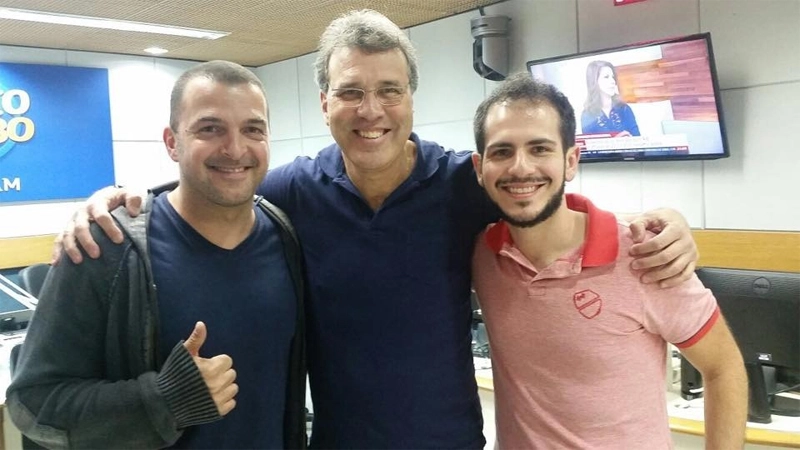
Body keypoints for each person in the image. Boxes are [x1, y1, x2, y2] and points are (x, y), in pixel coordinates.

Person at [54, 10, 701, 449]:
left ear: (411, 100)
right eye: (352, 91)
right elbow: (213, 186)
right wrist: (119, 199)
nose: (372, 111)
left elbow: (546, 199)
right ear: (325, 103)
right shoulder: (290, 194)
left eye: (389, 90)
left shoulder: (461, 185)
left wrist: (665, 221)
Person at [6, 61, 307, 449]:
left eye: (252, 129)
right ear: (171, 142)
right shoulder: (107, 246)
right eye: (210, 128)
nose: (235, 149)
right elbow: (32, 403)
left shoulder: (286, 234)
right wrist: (165, 401)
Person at [471, 73, 747, 448]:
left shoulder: (646, 255)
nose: (521, 167)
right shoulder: (482, 255)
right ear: (479, 168)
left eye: (540, 149)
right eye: (502, 151)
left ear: (571, 161)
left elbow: (723, 368)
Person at [581, 60, 640, 137]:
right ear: (594, 82)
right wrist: (616, 141)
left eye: (613, 77)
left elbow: (638, 140)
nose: (612, 81)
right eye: (606, 77)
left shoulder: (624, 109)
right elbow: (589, 147)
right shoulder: (587, 115)